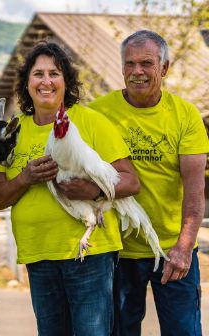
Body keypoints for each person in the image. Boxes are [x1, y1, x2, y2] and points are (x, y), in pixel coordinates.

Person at [0, 41, 140, 336]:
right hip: (39, 255)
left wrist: (92, 190)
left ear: (66, 81)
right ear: (26, 83)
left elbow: (131, 180)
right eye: (38, 74)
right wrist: (24, 178)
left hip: (88, 255)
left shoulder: (91, 122)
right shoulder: (12, 131)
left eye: (54, 73)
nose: (46, 81)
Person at [89, 30, 209, 336]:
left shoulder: (185, 116)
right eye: (130, 64)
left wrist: (184, 245)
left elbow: (195, 193)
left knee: (183, 331)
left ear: (164, 67)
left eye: (146, 63)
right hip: (119, 249)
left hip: (172, 249)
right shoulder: (99, 113)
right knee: (120, 331)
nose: (137, 72)